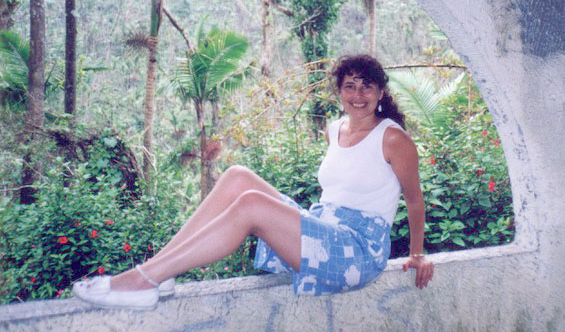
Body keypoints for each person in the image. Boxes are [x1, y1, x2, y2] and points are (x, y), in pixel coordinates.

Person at [73, 53, 434, 310]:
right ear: (339, 91)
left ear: (381, 93)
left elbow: (414, 201)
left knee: (251, 205)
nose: (358, 96)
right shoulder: (334, 129)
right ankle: (160, 271)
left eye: (367, 88)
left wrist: (417, 255)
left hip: (357, 250)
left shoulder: (392, 138)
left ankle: (140, 280)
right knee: (237, 177)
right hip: (325, 226)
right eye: (350, 86)